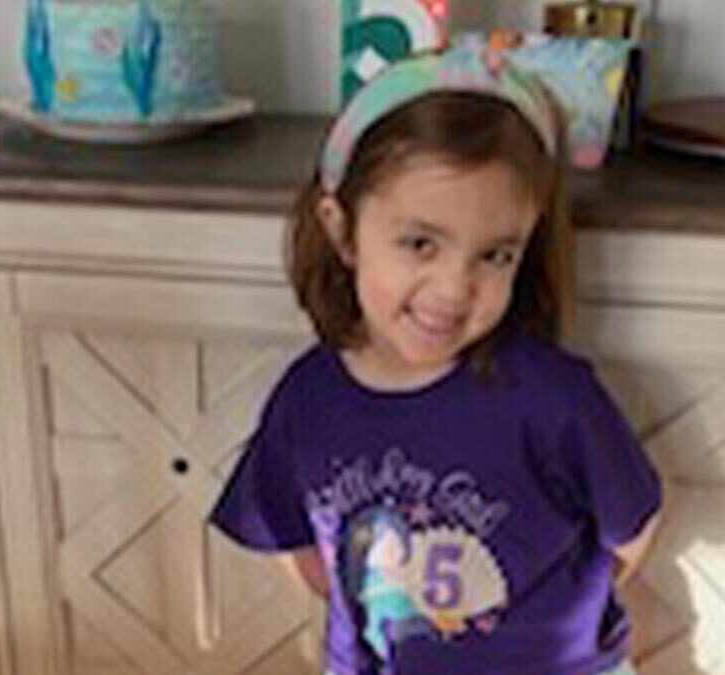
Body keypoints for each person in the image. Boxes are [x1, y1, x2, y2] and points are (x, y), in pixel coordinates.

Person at [209, 44, 662, 675]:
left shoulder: (554, 396)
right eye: (420, 243)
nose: (455, 289)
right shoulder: (306, 398)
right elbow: (297, 545)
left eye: (495, 255)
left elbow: (630, 531)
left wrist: (558, 630)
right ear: (341, 230)